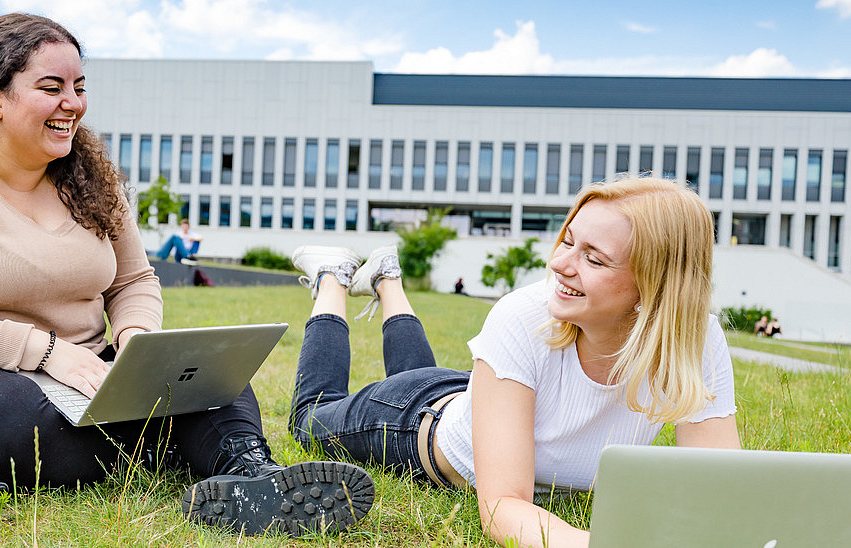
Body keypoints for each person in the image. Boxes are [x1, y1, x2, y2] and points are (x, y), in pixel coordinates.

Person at [0, 13, 373, 537]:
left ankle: (254, 476)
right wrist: (44, 351)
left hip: (86, 376)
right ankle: (174, 446)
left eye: (79, 88)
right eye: (52, 87)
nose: (73, 103)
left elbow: (133, 282)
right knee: (13, 418)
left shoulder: (92, 180)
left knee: (214, 376)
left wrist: (137, 344)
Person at [288, 176, 740, 548]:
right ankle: (333, 277)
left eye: (594, 259)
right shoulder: (523, 314)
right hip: (413, 421)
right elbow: (502, 506)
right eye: (568, 240)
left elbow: (722, 491)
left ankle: (388, 278)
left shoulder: (694, 340)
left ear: (654, 286)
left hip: (485, 396)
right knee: (309, 420)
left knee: (415, 374)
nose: (561, 264)